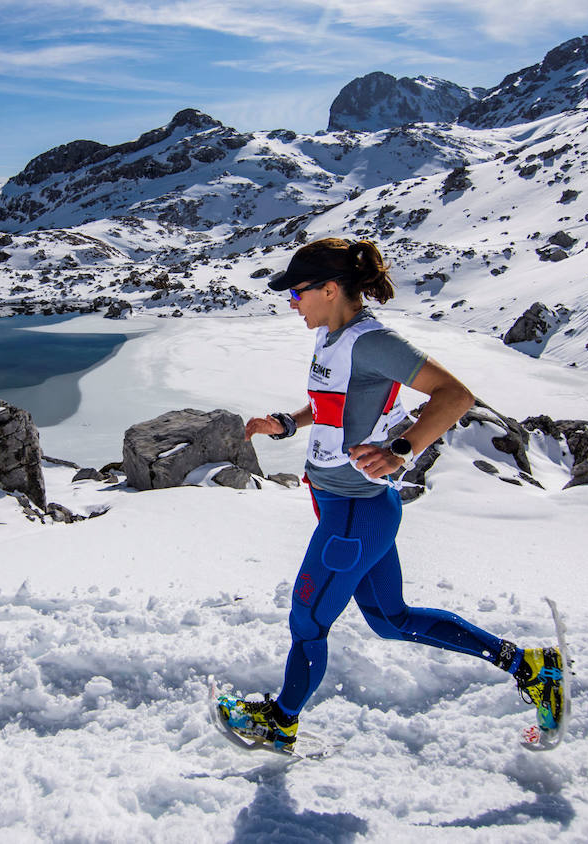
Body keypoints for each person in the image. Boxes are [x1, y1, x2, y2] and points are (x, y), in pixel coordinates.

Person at [217, 236, 564, 753]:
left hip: (357, 513)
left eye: (296, 293)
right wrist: (289, 422)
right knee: (390, 619)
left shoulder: (373, 341)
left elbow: (456, 396)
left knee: (307, 620)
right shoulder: (332, 337)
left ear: (330, 289)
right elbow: (336, 404)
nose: (291, 302)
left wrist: (404, 448)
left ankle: (280, 721)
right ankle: (529, 666)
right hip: (351, 507)